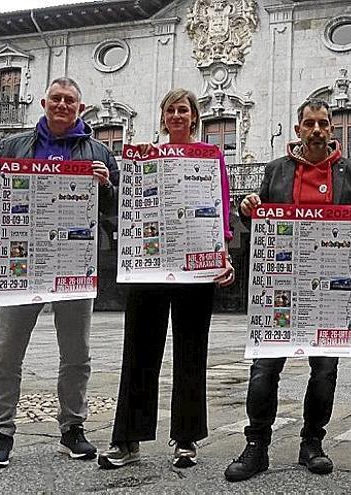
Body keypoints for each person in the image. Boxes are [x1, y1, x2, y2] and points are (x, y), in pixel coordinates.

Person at [0, 77, 118, 469]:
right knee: (6, 352)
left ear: (81, 109)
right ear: (45, 104)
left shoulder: (99, 151)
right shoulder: (11, 146)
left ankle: (73, 428)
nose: (63, 105)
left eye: (71, 101)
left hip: (73, 263)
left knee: (77, 354)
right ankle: (1, 432)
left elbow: (115, 208)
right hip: (20, 263)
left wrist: (107, 186)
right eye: (57, 99)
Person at [223, 98, 351, 482]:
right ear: (298, 130)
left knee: (324, 371)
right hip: (280, 286)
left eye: (325, 124)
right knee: (264, 370)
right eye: (310, 124)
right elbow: (257, 217)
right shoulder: (275, 171)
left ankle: (313, 442)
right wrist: (247, 207)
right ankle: (256, 444)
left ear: (332, 130)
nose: (318, 130)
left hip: (330, 290)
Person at [97, 88, 235, 469]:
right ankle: (127, 440)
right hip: (149, 265)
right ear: (163, 117)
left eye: (183, 110)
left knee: (192, 352)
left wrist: (223, 255)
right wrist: (134, 162)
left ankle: (186, 439)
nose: (177, 115)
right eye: (171, 110)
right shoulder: (146, 155)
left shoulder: (212, 157)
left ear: (194, 117)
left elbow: (222, 209)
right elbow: (129, 203)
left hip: (196, 267)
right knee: (138, 351)